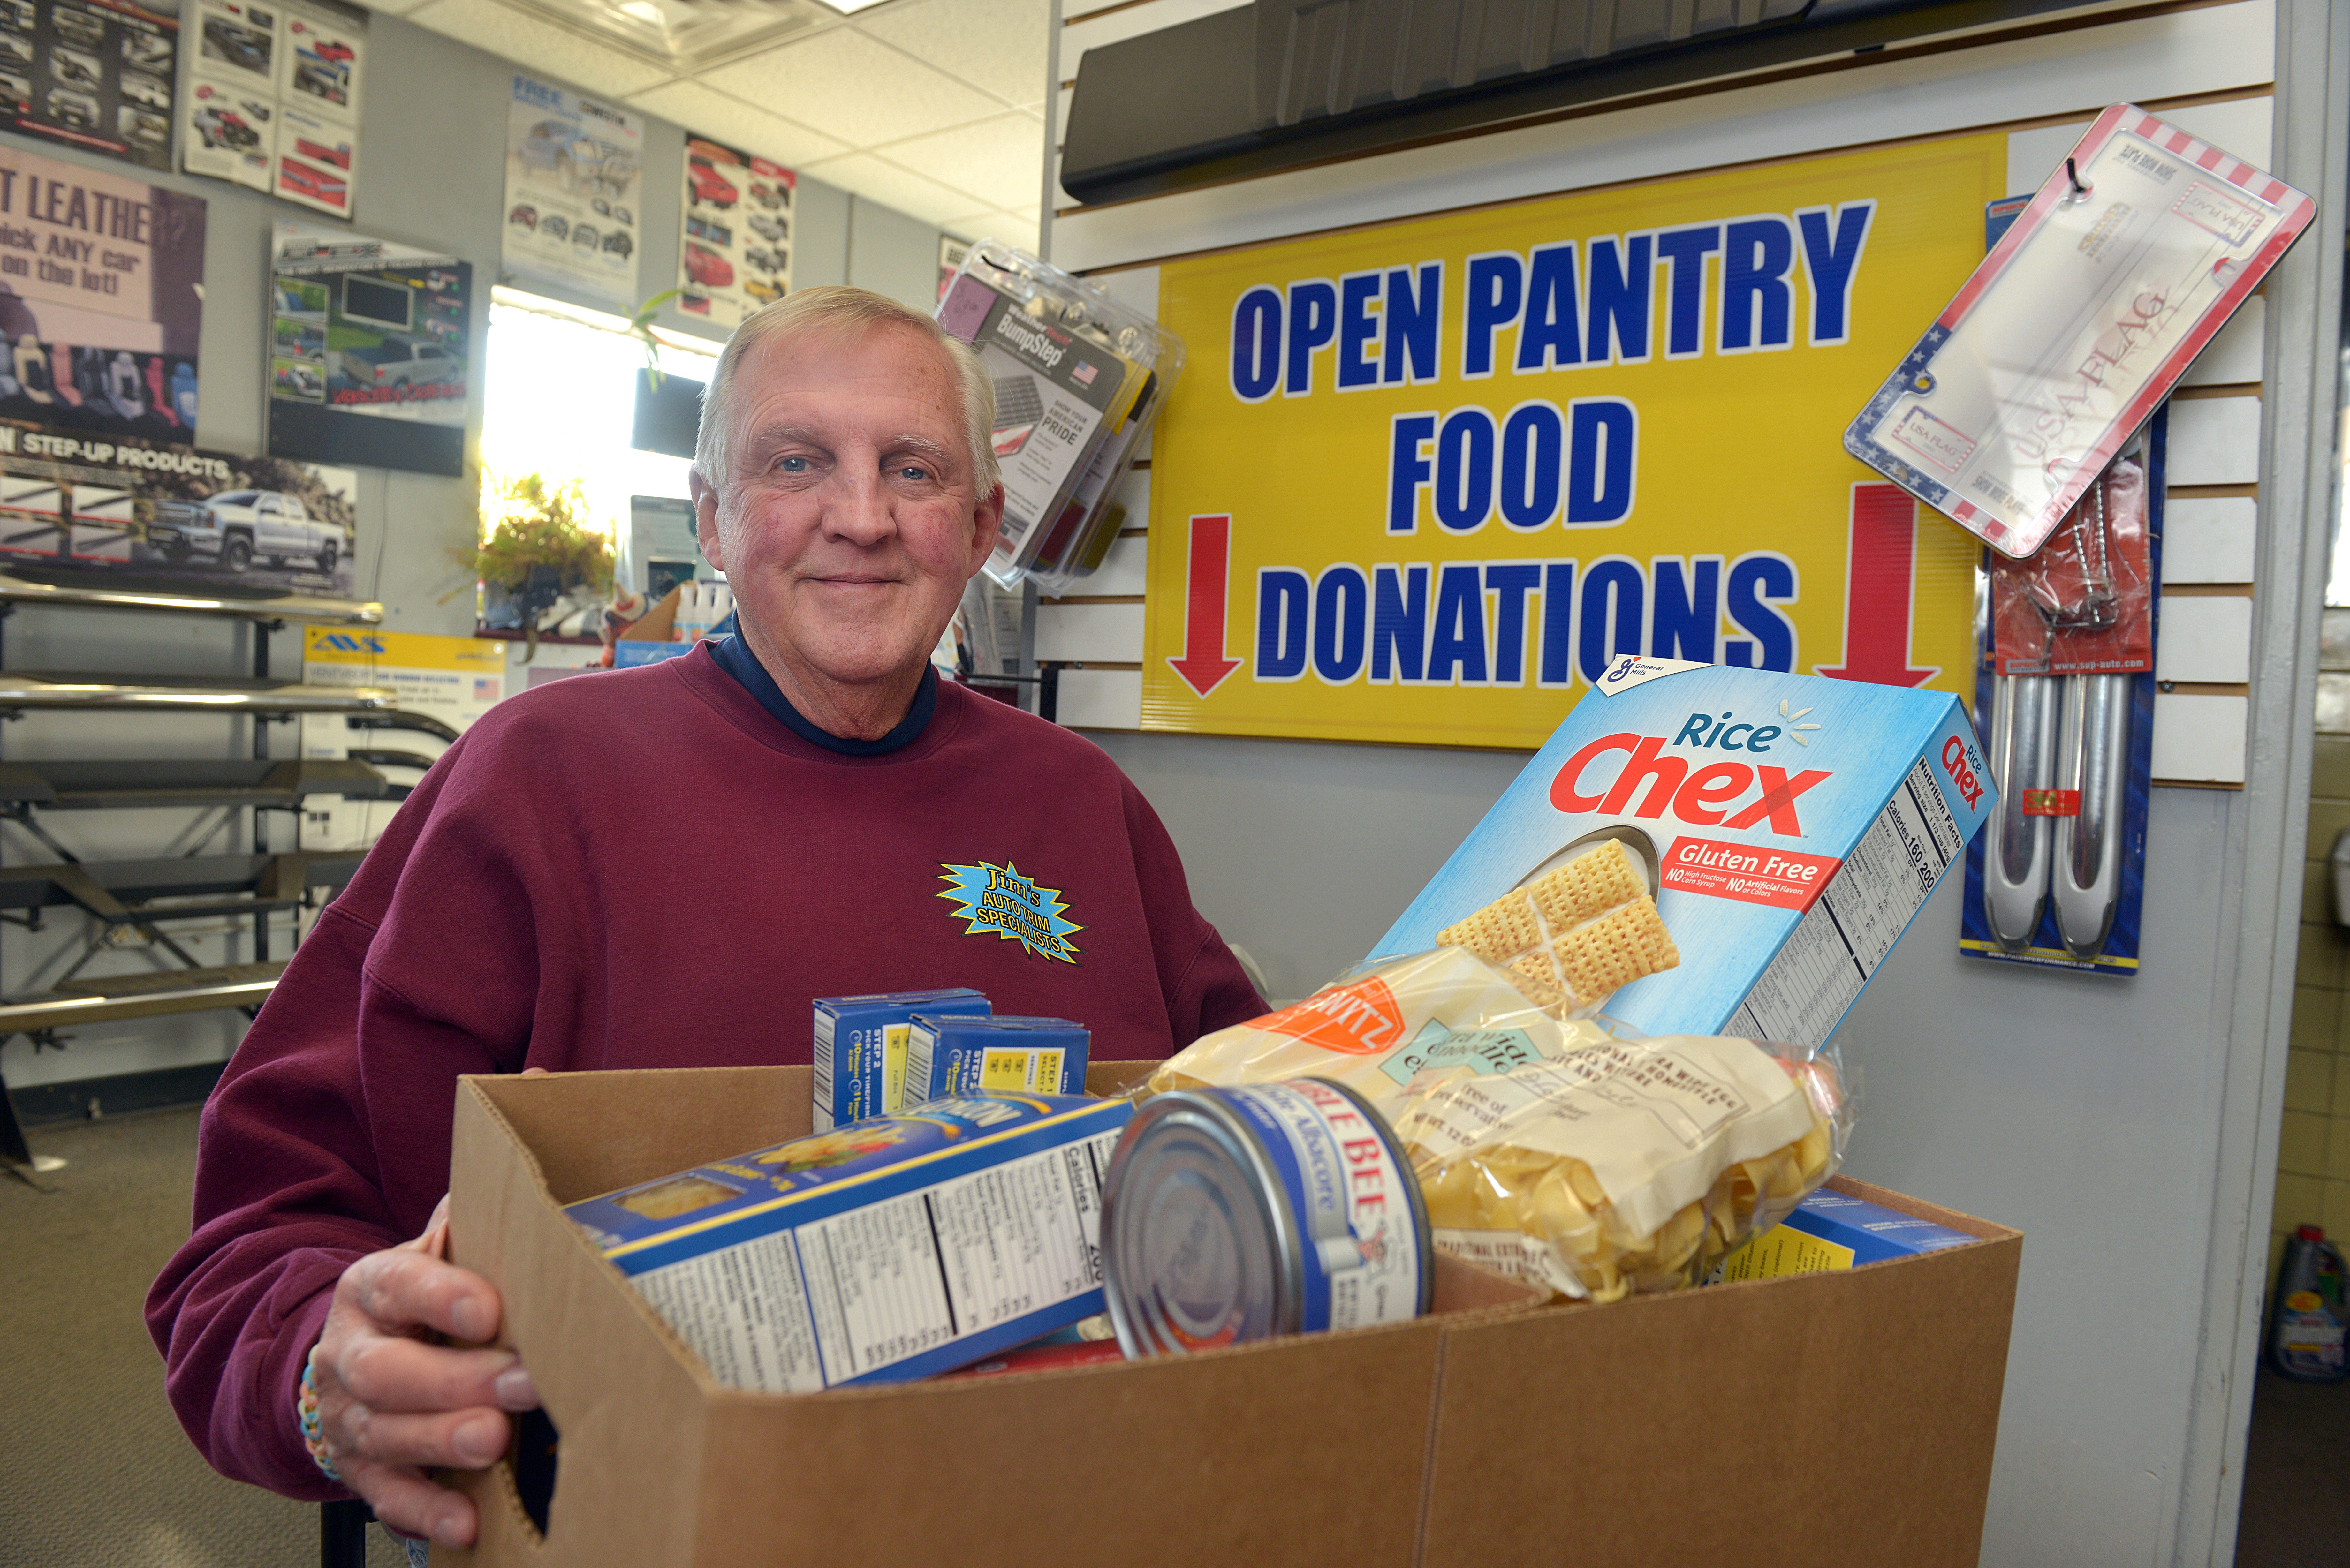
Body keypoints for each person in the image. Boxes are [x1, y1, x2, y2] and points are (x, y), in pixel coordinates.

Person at [147, 287, 1267, 1553]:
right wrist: (317, 1368)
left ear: (979, 523)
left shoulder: (1085, 807)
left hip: (1047, 1509)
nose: (861, 517)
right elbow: (250, 1242)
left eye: (913, 469)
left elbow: (1264, 1110)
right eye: (796, 462)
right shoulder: (537, 779)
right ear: (713, 516)